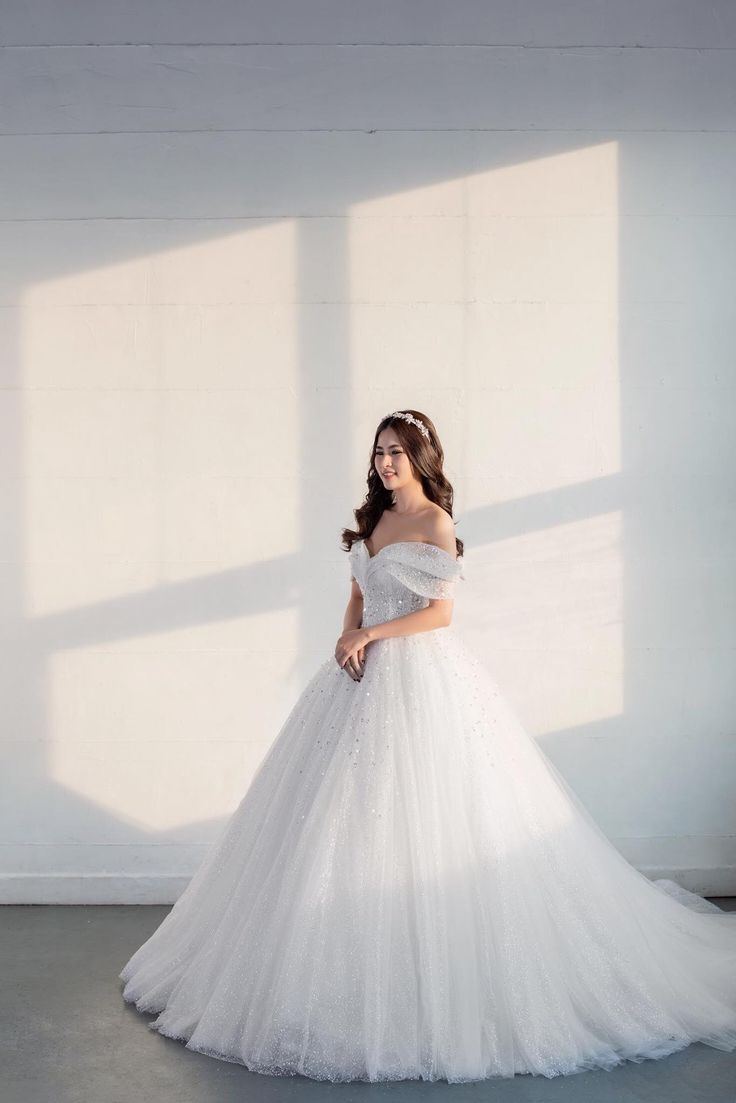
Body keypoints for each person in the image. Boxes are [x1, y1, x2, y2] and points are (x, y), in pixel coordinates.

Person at [120, 408, 736, 1083]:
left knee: (428, 815)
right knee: (331, 819)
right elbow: (359, 589)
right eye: (380, 451)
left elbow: (441, 612)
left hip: (419, 677)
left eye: (398, 452)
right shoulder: (375, 519)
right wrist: (347, 633)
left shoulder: (435, 524)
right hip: (356, 678)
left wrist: (372, 637)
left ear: (422, 458)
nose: (386, 463)